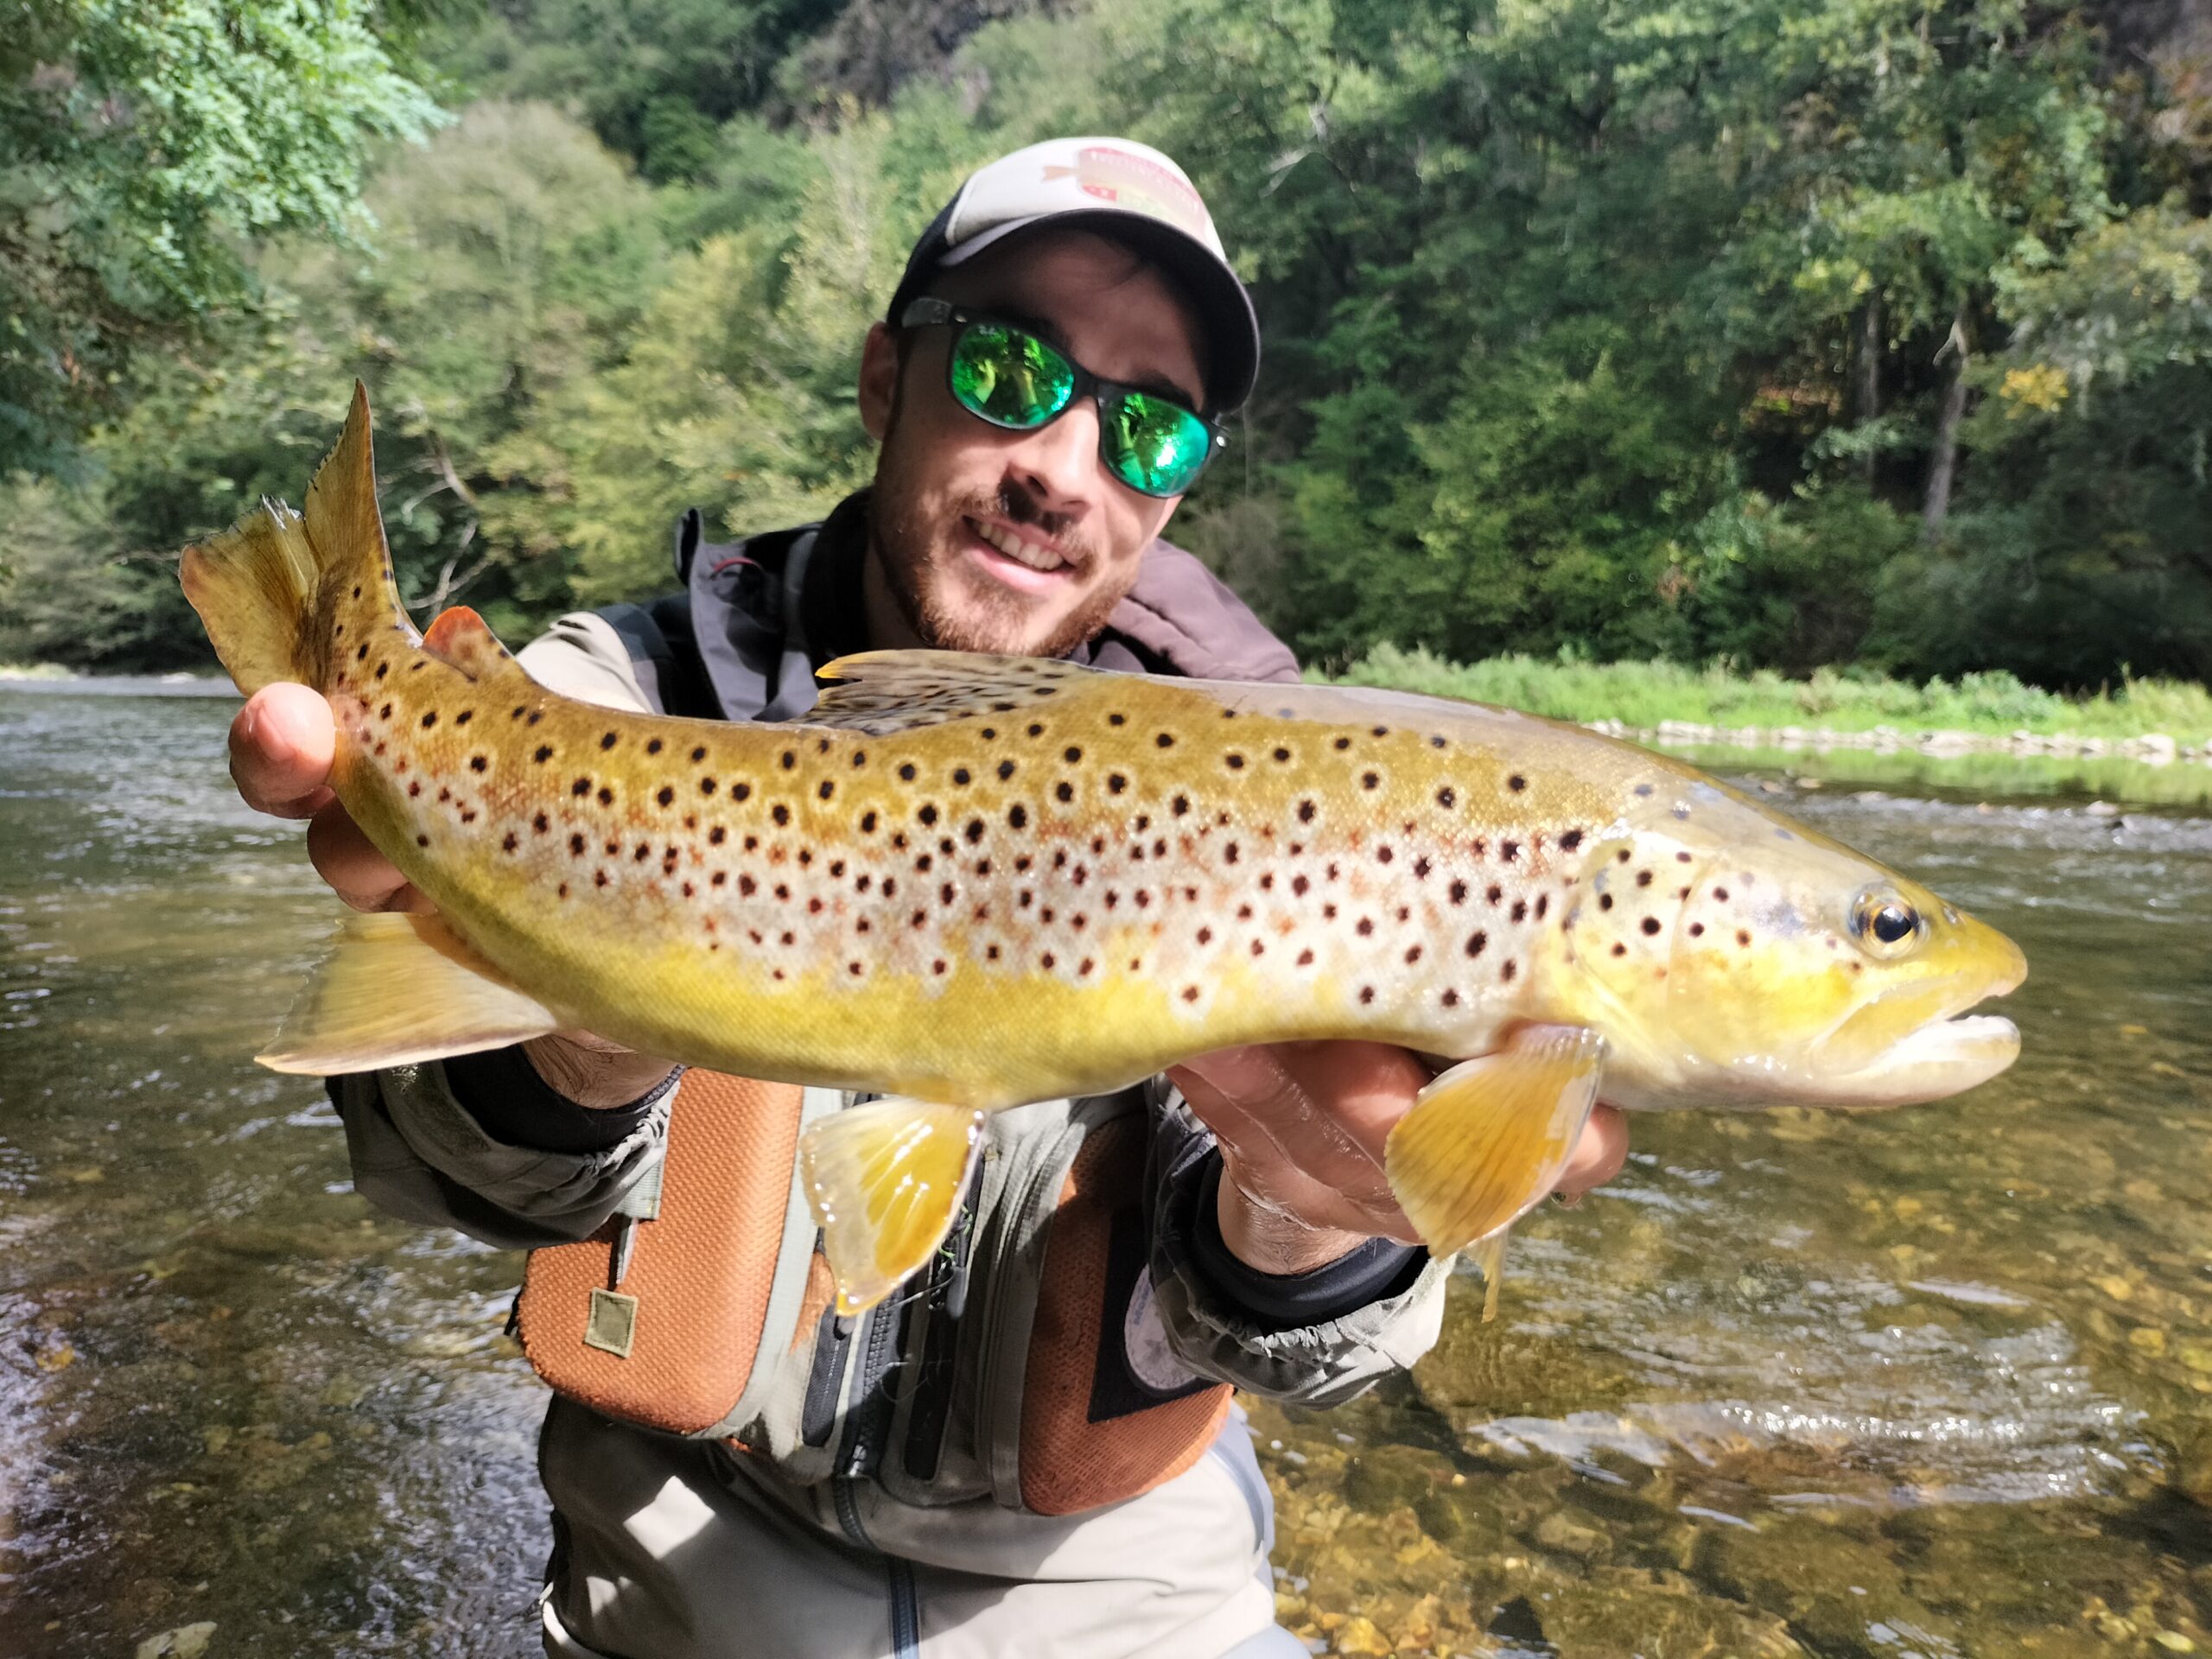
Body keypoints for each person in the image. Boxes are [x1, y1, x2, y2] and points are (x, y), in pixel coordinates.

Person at [225, 137, 1627, 1659]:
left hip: (1128, 1598)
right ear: (888, 378)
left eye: (1150, 434)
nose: (1064, 468)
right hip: (690, 1569)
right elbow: (456, 1183)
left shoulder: (1289, 790)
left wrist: (1306, 1213)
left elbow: (1282, 1346)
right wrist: (582, 1015)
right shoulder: (620, 707)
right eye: (1015, 371)